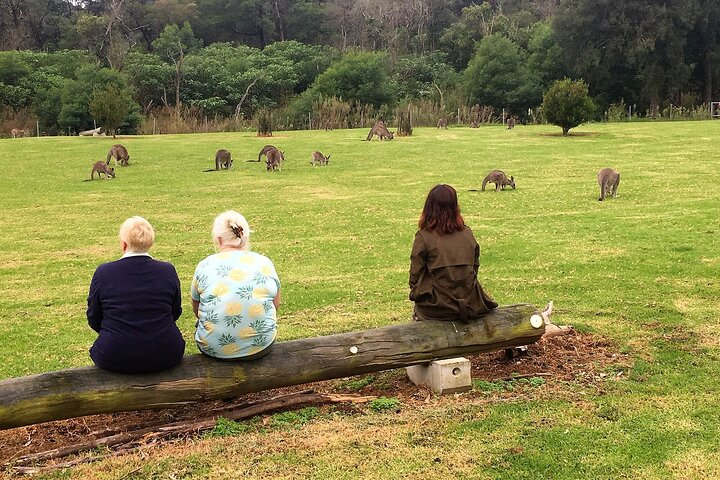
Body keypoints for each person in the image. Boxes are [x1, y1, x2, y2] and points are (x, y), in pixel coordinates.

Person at [87, 216, 185, 373]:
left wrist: (117, 332)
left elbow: (94, 316)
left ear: (123, 244)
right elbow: (175, 311)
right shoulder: (167, 271)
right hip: (165, 351)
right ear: (150, 242)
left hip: (114, 353)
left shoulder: (104, 273)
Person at [191, 210, 280, 360]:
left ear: (219, 239)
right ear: (245, 236)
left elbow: (197, 307)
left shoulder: (205, 265)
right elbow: (275, 305)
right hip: (261, 345)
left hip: (213, 347)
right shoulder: (264, 262)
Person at [409, 184, 498, 321]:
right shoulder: (467, 233)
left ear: (429, 208)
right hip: (470, 303)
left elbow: (415, 275)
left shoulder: (424, 237)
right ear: (455, 207)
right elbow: (474, 267)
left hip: (436, 307)